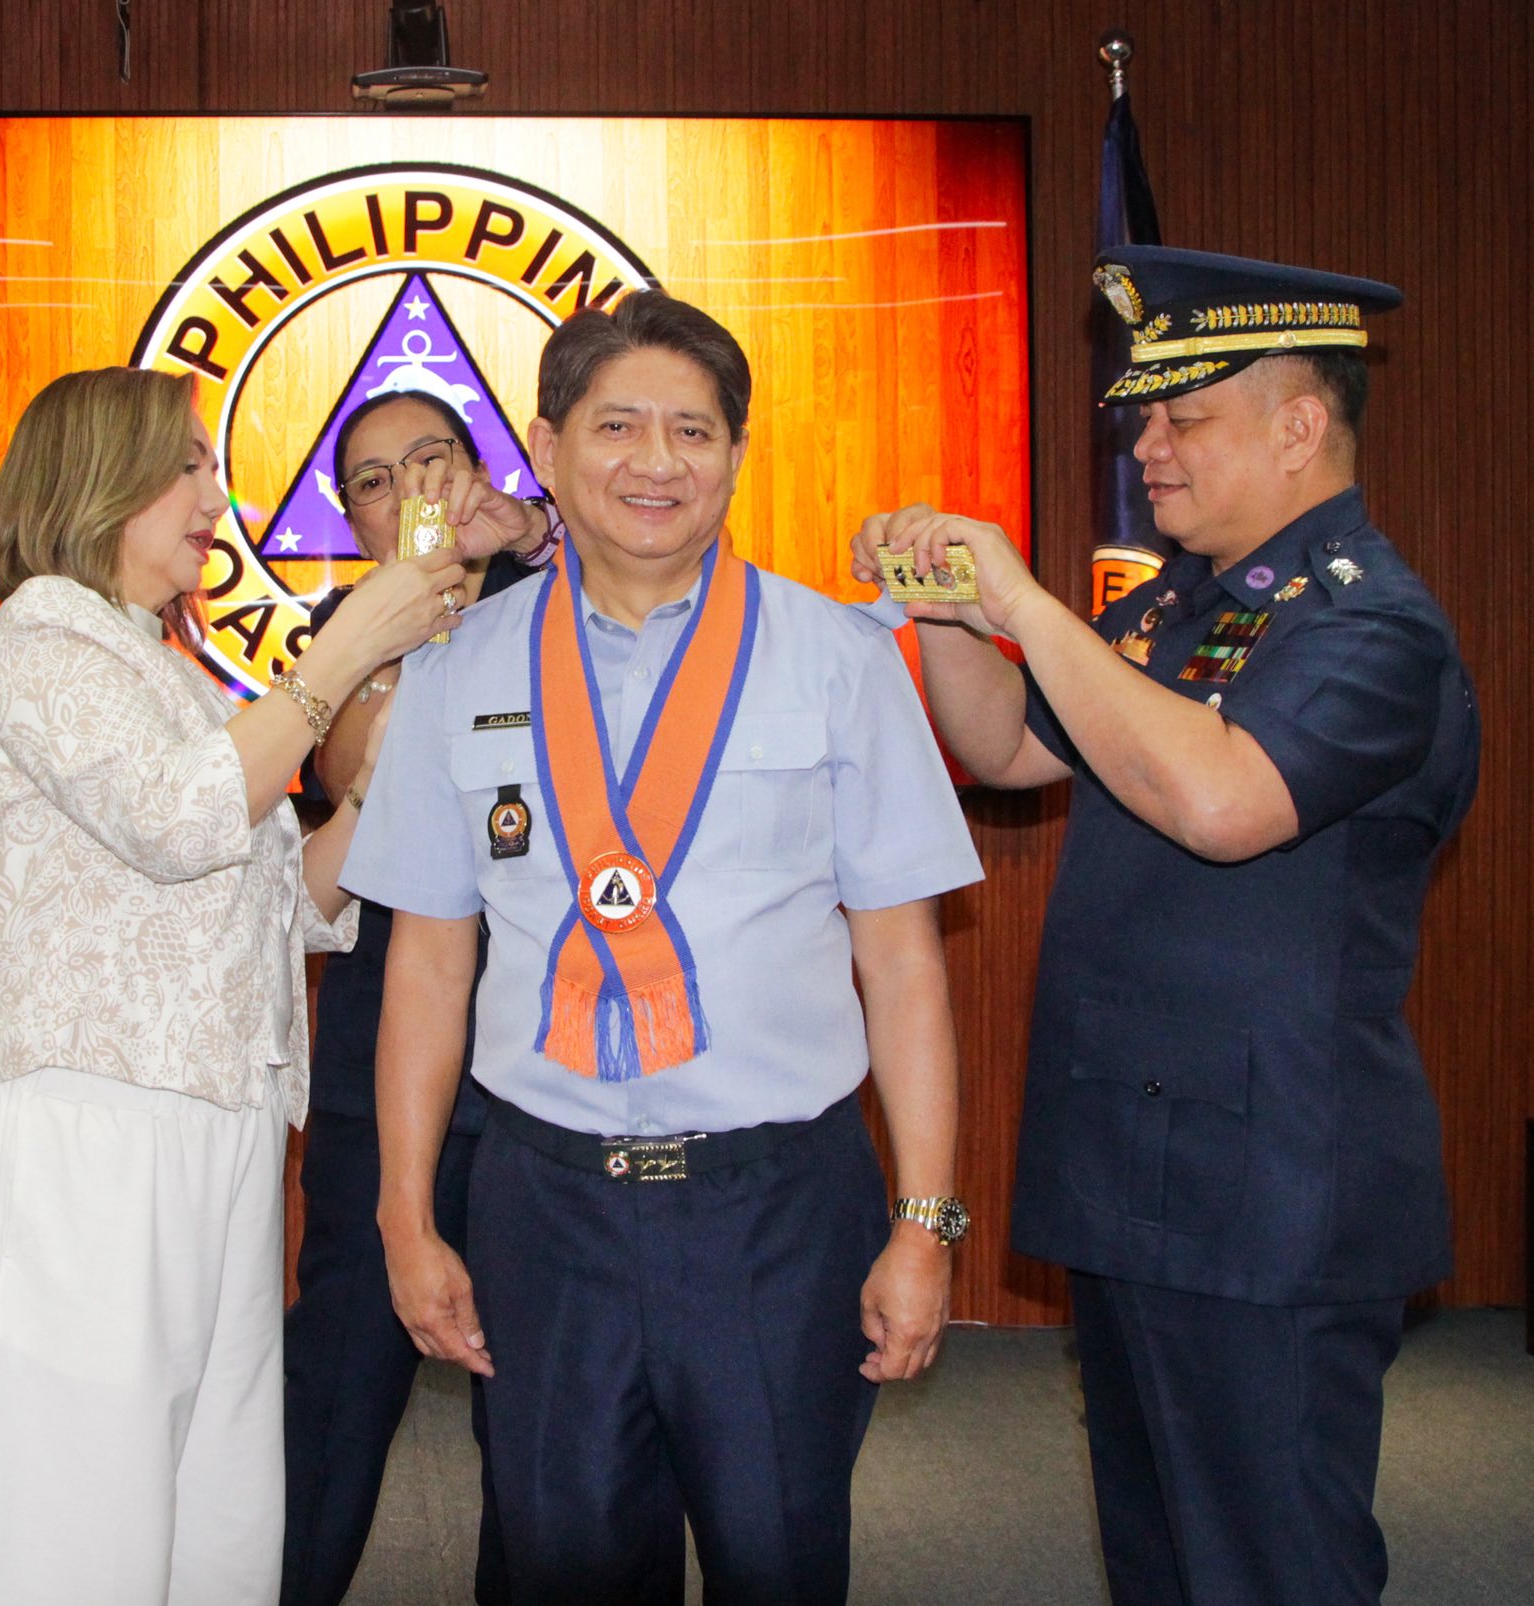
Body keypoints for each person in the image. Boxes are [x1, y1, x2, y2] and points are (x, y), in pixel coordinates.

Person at [853, 245, 1479, 1604]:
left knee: (1268, 1567)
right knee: (1159, 1560)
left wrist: (1025, 601)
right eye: (1149, 414)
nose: (1149, 445)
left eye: (1184, 416)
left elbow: (1219, 800)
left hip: (1271, 1198)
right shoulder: (1182, 610)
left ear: (1301, 423)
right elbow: (1007, 748)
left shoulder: (1375, 629)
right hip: (1140, 1171)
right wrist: (955, 615)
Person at [343, 291, 982, 1604]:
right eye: (619, 424)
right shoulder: (458, 667)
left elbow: (905, 962)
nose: (657, 461)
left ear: (736, 454)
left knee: (780, 1558)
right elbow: (426, 965)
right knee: (561, 1565)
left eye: (694, 430)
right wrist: (409, 1212)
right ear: (547, 442)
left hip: (778, 1211)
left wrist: (924, 1218)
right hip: (545, 1209)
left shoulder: (838, 659)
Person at [0, 365, 465, 1606]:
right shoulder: (40, 635)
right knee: (78, 1498)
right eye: (188, 467)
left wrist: (374, 785)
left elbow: (287, 909)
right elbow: (181, 820)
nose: (214, 497)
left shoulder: (162, 665)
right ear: (99, 478)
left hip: (213, 1115)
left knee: (213, 1498)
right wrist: (336, 660)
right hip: (84, 1115)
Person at [281, 387, 560, 1606]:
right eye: (377, 481)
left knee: (537, 1410)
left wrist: (535, 541)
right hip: (377, 1059)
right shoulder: (342, 628)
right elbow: (351, 769)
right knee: (338, 1384)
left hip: (537, 1067)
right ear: (351, 516)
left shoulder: (559, 597)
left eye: (433, 461)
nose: (414, 494)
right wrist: (411, 612)